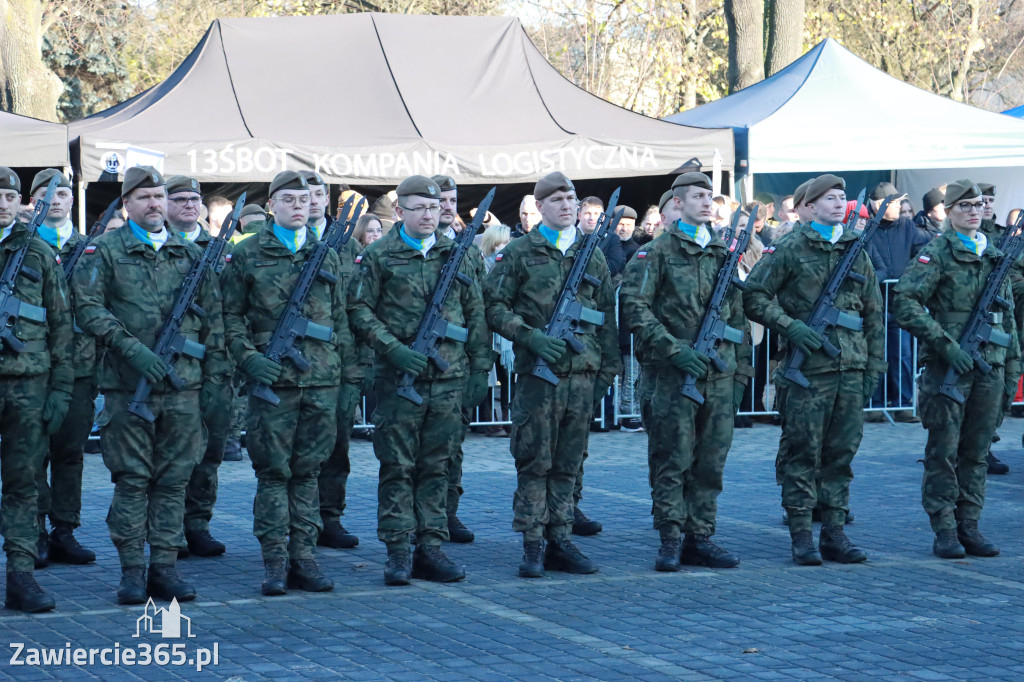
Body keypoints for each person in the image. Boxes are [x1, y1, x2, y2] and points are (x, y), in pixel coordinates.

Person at [74, 166, 229, 604]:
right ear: (127, 204)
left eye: (159, 196)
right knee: (132, 480)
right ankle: (131, 572)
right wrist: (130, 348)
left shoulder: (191, 254)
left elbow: (213, 320)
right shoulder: (104, 251)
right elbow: (87, 307)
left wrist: (216, 383)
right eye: (143, 197)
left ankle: (164, 566)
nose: (154, 204)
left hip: (183, 390)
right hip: (128, 389)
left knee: (174, 481)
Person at [349, 175, 490, 585]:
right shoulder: (379, 256)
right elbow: (359, 310)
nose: (430, 214)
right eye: (419, 208)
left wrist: (481, 367)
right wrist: (391, 347)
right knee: (397, 466)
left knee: (437, 466)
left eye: (434, 207)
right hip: (399, 380)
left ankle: (430, 545)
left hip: (448, 380)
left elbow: (476, 314)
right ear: (400, 212)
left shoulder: (457, 253)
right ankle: (397, 549)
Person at [221, 171, 353, 595]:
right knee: (274, 473)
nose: (300, 205)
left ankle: (305, 556)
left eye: (306, 199)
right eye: (290, 199)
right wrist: (249, 360)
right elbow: (229, 317)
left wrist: (346, 375)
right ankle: (275, 560)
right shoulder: (249, 253)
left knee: (309, 473)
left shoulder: (327, 254)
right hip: (273, 382)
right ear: (273, 204)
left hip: (320, 381)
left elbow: (342, 319)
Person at [744, 174, 886, 566]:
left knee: (841, 455)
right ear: (808, 207)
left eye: (842, 197)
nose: (840, 203)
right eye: (830, 198)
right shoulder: (791, 246)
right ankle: (802, 534)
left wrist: (875, 364)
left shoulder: (854, 248)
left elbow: (873, 311)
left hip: (851, 368)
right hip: (808, 371)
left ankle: (834, 531)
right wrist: (791, 326)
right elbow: (753, 296)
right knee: (803, 453)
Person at [485, 171, 621, 578]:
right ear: (539, 206)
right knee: (534, 461)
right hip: (539, 378)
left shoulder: (591, 252)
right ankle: (532, 543)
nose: (567, 204)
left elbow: (606, 316)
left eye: (571, 198)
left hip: (582, 376)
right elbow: (493, 306)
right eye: (557, 199)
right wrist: (531, 338)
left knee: (568, 463)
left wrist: (606, 370)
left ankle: (561, 539)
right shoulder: (521, 252)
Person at [621, 172, 752, 572]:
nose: (707, 203)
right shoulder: (656, 252)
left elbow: (738, 318)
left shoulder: (721, 252)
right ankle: (671, 538)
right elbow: (633, 308)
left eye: (710, 196)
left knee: (710, 462)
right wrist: (673, 350)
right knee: (671, 459)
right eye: (698, 196)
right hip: (671, 377)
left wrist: (740, 374)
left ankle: (701, 535)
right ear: (677, 204)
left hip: (717, 375)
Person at [893, 179, 1019, 559]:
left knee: (976, 452)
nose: (973, 211)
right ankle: (945, 528)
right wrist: (945, 345)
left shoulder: (994, 254)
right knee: (943, 452)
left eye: (978, 205)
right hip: (949, 369)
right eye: (964, 206)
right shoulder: (938, 252)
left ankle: (970, 524)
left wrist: (1012, 366)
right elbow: (906, 302)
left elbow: (1008, 317)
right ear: (948, 212)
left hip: (990, 367)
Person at [0, 167, 73, 612]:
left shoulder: (38, 252)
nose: (2, 203)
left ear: (19, 203)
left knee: (23, 483)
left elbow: (62, 326)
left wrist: (61, 388)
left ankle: (21, 575)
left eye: (9, 196)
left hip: (28, 385)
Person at [160, 175, 236, 559]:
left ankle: (197, 524)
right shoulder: (160, 246)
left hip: (215, 361)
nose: (191, 205)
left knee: (212, 449)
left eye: (196, 199)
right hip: (171, 364)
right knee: (173, 455)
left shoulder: (220, 248)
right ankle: (168, 530)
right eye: (182, 199)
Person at [290, 171, 366, 554]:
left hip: (337, 362)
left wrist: (354, 370)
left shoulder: (347, 243)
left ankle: (330, 517)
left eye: (318, 194)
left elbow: (356, 308)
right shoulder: (279, 243)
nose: (312, 201)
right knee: (294, 452)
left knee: (337, 447)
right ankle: (295, 521)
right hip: (292, 365)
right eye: (305, 195)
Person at [28, 170, 97, 569]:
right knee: (32, 455)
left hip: (81, 366)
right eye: (46, 192)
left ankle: (64, 531)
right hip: (32, 368)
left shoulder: (91, 248)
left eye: (64, 192)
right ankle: (33, 530)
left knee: (70, 454)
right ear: (35, 199)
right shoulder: (21, 246)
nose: (56, 199)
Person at [431, 174, 489, 544]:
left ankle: (448, 513)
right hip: (418, 365)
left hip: (457, 366)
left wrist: (481, 366)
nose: (449, 207)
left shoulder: (467, 250)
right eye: (442, 201)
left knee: (452, 448)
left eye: (453, 200)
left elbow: (479, 309)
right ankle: (424, 521)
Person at [864, 181, 932, 423]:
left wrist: (917, 276)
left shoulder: (907, 226)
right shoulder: (867, 231)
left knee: (901, 355)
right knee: (876, 355)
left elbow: (929, 246)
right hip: (873, 305)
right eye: (894, 202)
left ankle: (903, 404)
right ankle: (874, 404)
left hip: (900, 304)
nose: (900, 205)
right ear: (879, 205)